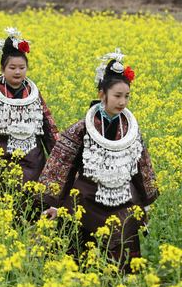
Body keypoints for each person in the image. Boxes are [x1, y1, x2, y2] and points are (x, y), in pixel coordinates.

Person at [39, 49, 158, 270]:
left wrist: (145, 202)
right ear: (102, 94)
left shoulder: (131, 129)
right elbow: (62, 165)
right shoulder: (82, 128)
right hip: (88, 200)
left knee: (123, 252)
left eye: (127, 96)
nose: (123, 102)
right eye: (117, 96)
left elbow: (142, 165)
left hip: (122, 199)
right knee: (81, 259)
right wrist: (55, 204)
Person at [0, 27, 59, 203]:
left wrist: (60, 160)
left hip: (34, 164)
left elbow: (50, 128)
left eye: (22, 67)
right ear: (2, 69)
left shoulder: (34, 95)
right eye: (12, 67)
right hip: (2, 166)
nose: (17, 72)